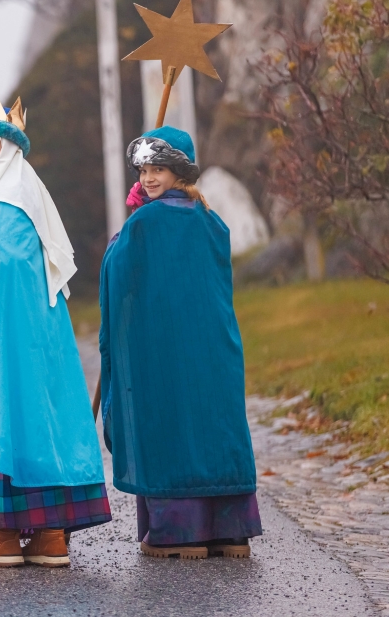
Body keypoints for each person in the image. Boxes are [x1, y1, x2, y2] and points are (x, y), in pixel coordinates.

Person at [0, 91, 111, 568]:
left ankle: (4, 535)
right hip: (36, 339)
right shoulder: (14, 195)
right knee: (40, 420)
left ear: (10, 146)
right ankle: (49, 534)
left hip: (3, 341)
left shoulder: (7, 200)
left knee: (3, 417)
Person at [100, 125, 261, 560]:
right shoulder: (212, 220)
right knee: (215, 423)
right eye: (145, 170)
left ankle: (180, 532)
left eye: (159, 169)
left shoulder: (146, 223)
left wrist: (125, 230)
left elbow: (117, 274)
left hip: (166, 350)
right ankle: (231, 531)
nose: (149, 178)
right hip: (213, 350)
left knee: (171, 422)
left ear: (180, 171)